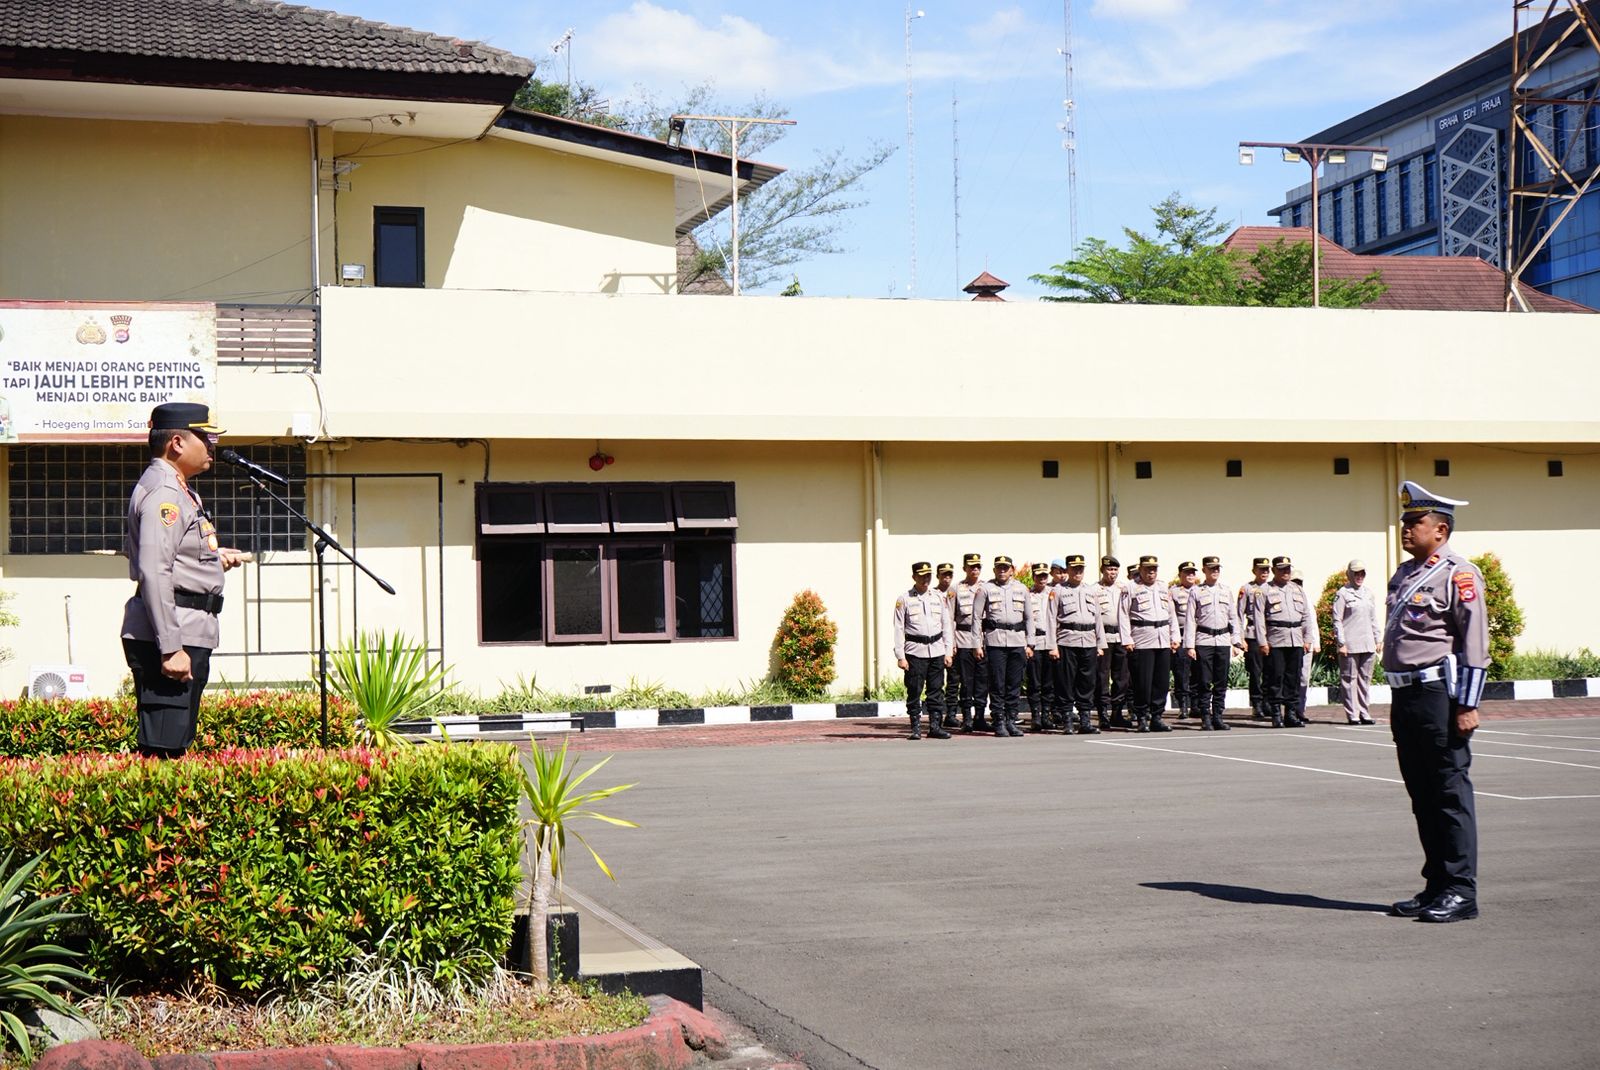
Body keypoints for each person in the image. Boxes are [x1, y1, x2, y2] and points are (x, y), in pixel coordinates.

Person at [1383, 481, 1487, 924]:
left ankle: (1461, 891)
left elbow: (1474, 643)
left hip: (1439, 696)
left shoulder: (1458, 575)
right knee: (1422, 795)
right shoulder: (1405, 574)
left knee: (1449, 793)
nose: (1405, 529)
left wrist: (1467, 705)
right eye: (1404, 522)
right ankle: (1437, 885)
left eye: (1415, 522)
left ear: (1440, 530)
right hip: (1405, 695)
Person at [121, 402, 244, 759]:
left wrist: (213, 559)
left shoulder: (178, 489)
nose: (212, 446)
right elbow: (154, 569)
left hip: (188, 628)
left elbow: (173, 557)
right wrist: (171, 648)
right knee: (164, 753)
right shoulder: (166, 494)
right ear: (176, 443)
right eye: (205, 438)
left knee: (175, 746)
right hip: (173, 633)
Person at [972, 555, 1034, 738]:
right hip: (995, 642)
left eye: (1005, 568)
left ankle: (1011, 720)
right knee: (997, 684)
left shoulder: (1021, 589)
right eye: (999, 568)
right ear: (994, 570)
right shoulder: (985, 589)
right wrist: (977, 644)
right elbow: (976, 618)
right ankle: (998, 720)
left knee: (1014, 684)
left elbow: (1029, 618)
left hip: (1017, 641)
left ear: (1011, 570)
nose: (1002, 571)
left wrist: (1030, 643)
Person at [894, 562, 954, 740]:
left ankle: (935, 726)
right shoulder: (904, 599)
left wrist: (948, 651)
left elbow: (946, 625)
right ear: (914, 577)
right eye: (921, 576)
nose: (925, 579)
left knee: (936, 690)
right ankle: (915, 727)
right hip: (915, 651)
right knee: (914, 690)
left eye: (928, 575)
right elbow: (898, 628)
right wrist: (900, 656)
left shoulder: (938, 597)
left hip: (936, 650)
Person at [1252, 556, 1314, 728]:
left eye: (1288, 568)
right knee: (1276, 678)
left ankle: (1291, 714)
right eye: (1281, 569)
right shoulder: (1264, 590)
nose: (1285, 572)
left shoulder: (1297, 589)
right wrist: (1262, 642)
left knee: (1293, 678)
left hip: (1296, 640)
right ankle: (1276, 714)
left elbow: (1306, 616)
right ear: (1273, 570)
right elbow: (1258, 619)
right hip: (1276, 640)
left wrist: (1308, 638)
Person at [1047, 553, 1104, 734]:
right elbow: (1051, 619)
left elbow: (1098, 619)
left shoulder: (1090, 591)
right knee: (1066, 682)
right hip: (1067, 641)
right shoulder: (1058, 591)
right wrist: (1052, 646)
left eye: (1081, 569)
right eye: (1074, 569)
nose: (1078, 572)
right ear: (1068, 570)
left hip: (1088, 640)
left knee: (1087, 682)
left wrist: (1100, 644)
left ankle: (1085, 720)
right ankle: (1067, 720)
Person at [1120, 555, 1179, 732]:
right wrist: (1126, 639)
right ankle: (1142, 717)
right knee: (1142, 682)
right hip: (1142, 639)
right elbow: (1123, 614)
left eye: (1154, 569)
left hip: (1162, 638)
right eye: (1147, 569)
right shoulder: (1131, 587)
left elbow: (1171, 614)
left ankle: (1157, 717)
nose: (1151, 572)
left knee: (1161, 682)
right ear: (1140, 569)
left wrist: (1175, 636)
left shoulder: (1163, 587)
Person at [1184, 556, 1242, 731]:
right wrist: (1190, 646)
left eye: (1217, 568)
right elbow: (1190, 620)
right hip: (1204, 640)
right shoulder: (1196, 591)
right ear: (1204, 570)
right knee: (1204, 681)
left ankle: (1218, 716)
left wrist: (1236, 641)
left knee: (1221, 681)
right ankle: (1205, 716)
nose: (1215, 571)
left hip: (1223, 640)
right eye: (1211, 568)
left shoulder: (1226, 590)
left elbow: (1233, 617)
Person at [1333, 559, 1381, 725]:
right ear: (1349, 574)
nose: (1359, 576)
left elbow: (1373, 618)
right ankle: (1353, 714)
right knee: (1349, 679)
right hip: (1350, 643)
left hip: (1367, 642)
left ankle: (1364, 712)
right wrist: (1341, 642)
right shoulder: (1342, 593)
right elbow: (1337, 620)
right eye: (1356, 573)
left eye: (1362, 573)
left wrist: (1378, 638)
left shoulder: (1368, 593)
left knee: (1365, 679)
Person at [950, 553, 990, 733]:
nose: (975, 569)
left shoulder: (987, 587)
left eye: (978, 566)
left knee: (982, 681)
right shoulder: (956, 589)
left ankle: (979, 717)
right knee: (966, 681)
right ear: (964, 568)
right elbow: (950, 618)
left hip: (983, 639)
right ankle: (966, 718)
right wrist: (952, 643)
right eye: (971, 566)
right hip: (964, 639)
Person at [1090, 555, 1130, 730]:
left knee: (1122, 678)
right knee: (1102, 677)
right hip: (1104, 638)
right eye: (1109, 569)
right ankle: (1103, 714)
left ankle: (1117, 713)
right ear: (1102, 570)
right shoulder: (1094, 589)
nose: (1112, 573)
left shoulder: (1124, 589)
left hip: (1121, 637)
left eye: (1115, 570)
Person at [1024, 564, 1056, 731]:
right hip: (1034, 642)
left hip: (1050, 642)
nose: (1042, 579)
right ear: (1033, 577)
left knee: (1049, 683)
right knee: (1034, 683)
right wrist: (1027, 644)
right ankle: (1036, 716)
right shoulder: (1027, 595)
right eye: (1039, 576)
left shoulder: (1053, 593)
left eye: (1045, 576)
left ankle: (1046, 715)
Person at [1239, 557, 1272, 719]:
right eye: (1261, 569)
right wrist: (1241, 638)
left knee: (1270, 671)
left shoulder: (1273, 588)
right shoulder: (1247, 589)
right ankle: (1256, 703)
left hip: (1271, 634)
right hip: (1253, 635)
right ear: (1254, 570)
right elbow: (1239, 614)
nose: (1264, 572)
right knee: (1255, 672)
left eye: (1267, 569)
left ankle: (1268, 702)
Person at [1169, 562, 1200, 720]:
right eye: (1187, 573)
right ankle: (1183, 706)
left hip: (1199, 637)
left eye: (1193, 573)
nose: (1190, 576)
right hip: (1181, 637)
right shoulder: (1173, 592)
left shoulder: (1202, 591)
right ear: (1180, 575)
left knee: (1199, 673)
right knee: (1182, 673)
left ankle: (1196, 705)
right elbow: (1171, 616)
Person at [933, 563, 959, 728]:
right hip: (936, 643)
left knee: (954, 681)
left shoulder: (955, 593)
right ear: (938, 576)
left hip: (952, 642)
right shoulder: (932, 594)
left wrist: (953, 643)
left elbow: (957, 619)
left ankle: (951, 714)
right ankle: (937, 716)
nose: (947, 578)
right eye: (944, 574)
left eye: (949, 575)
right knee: (937, 682)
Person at [1292, 569, 1319, 724]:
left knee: (1304, 679)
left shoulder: (1306, 598)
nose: (1297, 585)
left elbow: (1312, 622)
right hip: (1291, 643)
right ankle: (1290, 710)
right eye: (1294, 582)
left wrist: (1316, 643)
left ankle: (1300, 710)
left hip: (1306, 644)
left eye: (1299, 582)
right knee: (1291, 679)